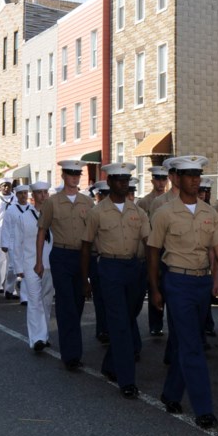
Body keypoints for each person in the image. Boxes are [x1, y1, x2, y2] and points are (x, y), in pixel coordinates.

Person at [148, 155, 218, 428]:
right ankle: (204, 409)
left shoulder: (210, 213)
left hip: (201, 283)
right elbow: (153, 252)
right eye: (189, 175)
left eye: (198, 175)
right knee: (193, 346)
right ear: (177, 178)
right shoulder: (164, 213)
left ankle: (171, 393)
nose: (195, 180)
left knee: (188, 340)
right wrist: (154, 289)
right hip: (177, 281)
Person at [81, 163, 149, 399]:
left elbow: (149, 243)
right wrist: (85, 279)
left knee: (127, 319)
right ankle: (126, 379)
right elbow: (86, 246)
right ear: (109, 182)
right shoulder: (97, 212)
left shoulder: (138, 212)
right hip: (110, 268)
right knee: (120, 323)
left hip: (134, 269)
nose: (123, 183)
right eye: (119, 179)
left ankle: (110, 364)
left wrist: (152, 276)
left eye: (126, 180)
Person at [35, 160, 94, 371]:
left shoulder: (87, 202)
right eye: (71, 174)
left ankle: (71, 345)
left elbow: (94, 232)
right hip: (61, 255)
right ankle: (71, 355)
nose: (75, 178)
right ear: (63, 175)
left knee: (78, 303)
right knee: (66, 303)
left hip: (82, 256)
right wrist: (39, 261)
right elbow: (42, 230)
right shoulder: (52, 202)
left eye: (78, 174)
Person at [12, 182, 54, 351]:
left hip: (50, 264)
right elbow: (17, 243)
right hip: (31, 264)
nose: (43, 196)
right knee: (34, 300)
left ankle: (44, 334)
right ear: (33, 196)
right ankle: (37, 338)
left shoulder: (54, 216)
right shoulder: (24, 217)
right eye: (39, 192)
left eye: (45, 192)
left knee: (46, 301)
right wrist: (18, 267)